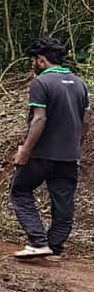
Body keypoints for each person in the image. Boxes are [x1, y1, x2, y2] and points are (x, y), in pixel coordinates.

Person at [11, 37, 90, 260]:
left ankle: (38, 241)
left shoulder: (41, 83)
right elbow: (85, 122)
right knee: (63, 201)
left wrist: (25, 150)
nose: (32, 66)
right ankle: (54, 245)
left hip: (41, 154)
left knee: (20, 190)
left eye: (33, 61)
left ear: (42, 60)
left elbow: (39, 120)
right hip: (69, 156)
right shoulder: (80, 83)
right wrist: (75, 146)